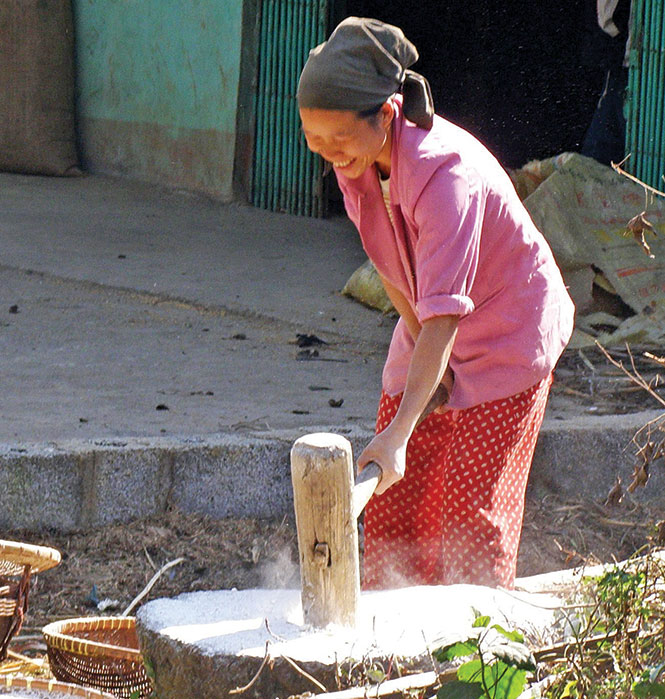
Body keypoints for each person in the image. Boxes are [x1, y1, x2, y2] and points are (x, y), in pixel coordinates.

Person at [297, 17, 575, 590]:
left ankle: (472, 658)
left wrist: (400, 432)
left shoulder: (445, 174)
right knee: (397, 501)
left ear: (385, 113)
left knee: (469, 512)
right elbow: (395, 273)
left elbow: (446, 314)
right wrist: (412, 410)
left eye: (338, 141)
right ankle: (393, 650)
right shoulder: (358, 166)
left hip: (508, 329)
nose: (328, 156)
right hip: (426, 325)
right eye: (315, 142)